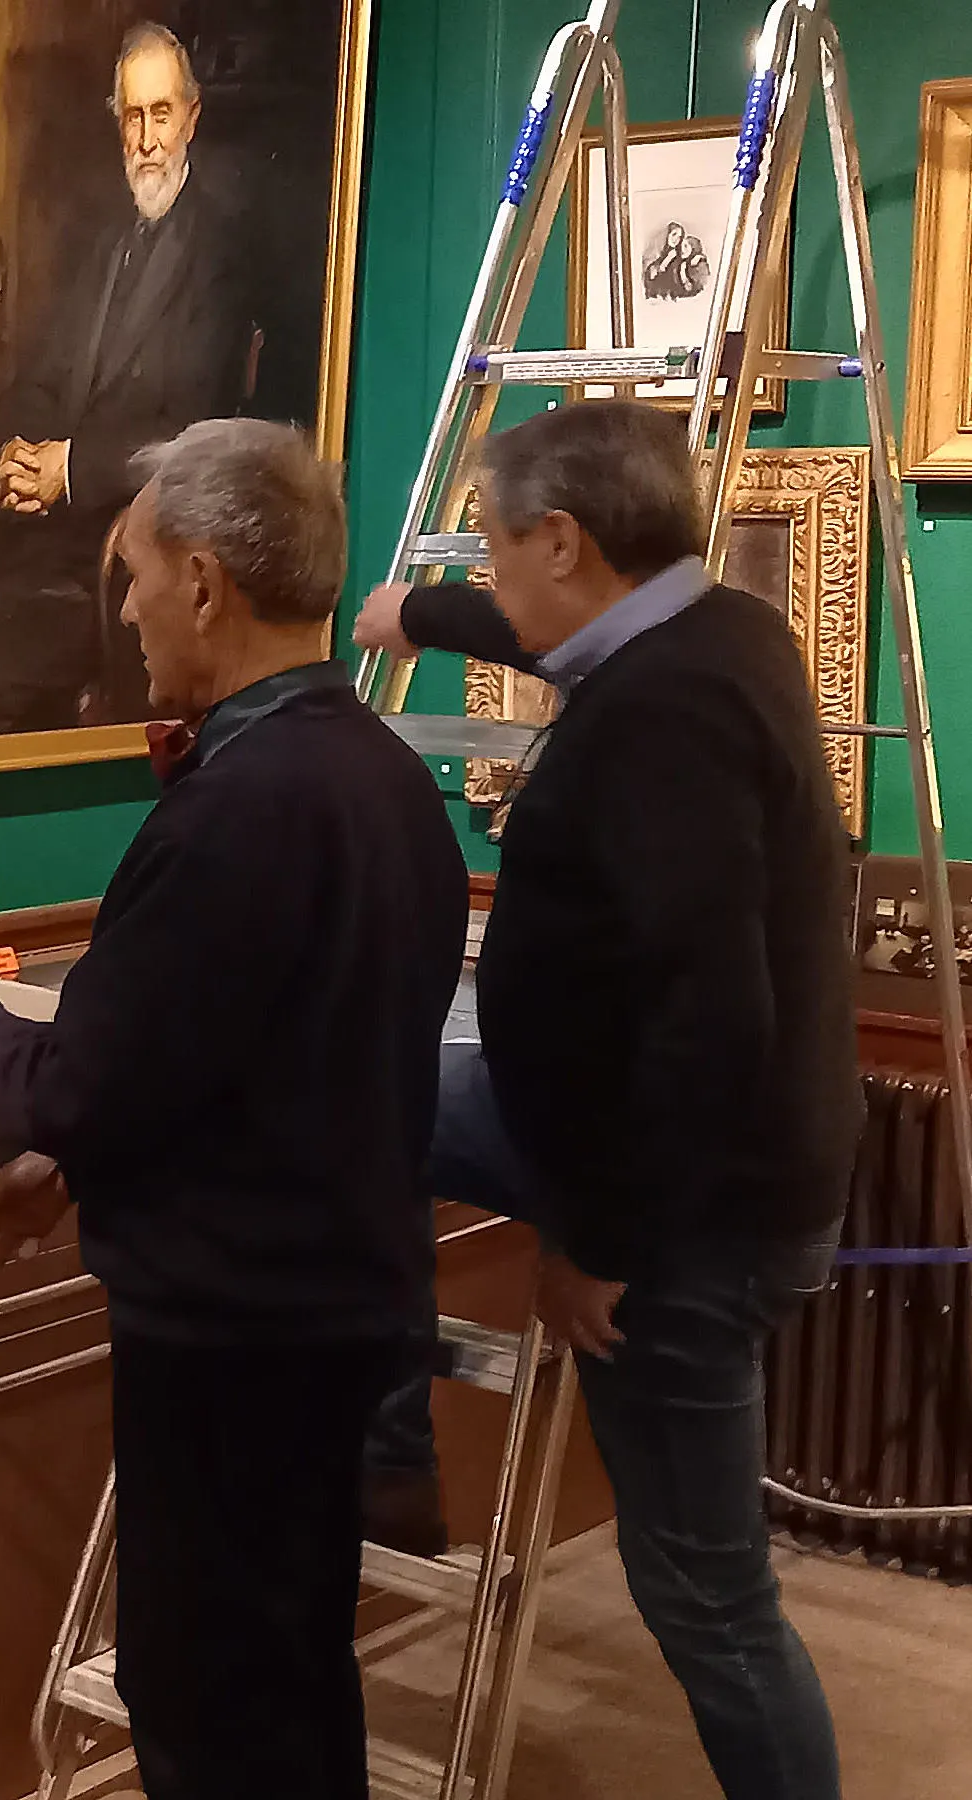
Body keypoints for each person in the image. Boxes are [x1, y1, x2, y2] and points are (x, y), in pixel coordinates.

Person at [0, 418, 465, 1799]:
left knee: (202, 1710)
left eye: (134, 573)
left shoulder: (235, 812)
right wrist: (72, 1165)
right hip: (333, 1331)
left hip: (230, 1350)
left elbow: (74, 1075)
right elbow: (260, 1065)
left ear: (204, 584)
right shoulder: (382, 782)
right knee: (294, 1682)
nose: (126, 607)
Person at [355, 399, 854, 1800]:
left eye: (502, 549)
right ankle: (391, 1449)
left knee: (702, 1594)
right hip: (703, 1167)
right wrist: (423, 612)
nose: (495, 576)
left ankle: (385, 1444)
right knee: (364, 1088)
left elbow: (707, 1021)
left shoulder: (663, 715)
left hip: (685, 1211)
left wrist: (597, 1245)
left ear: (565, 540)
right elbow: (546, 626)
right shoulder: (715, 631)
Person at [0, 22, 256, 740]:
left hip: (111, 556)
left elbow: (193, 430)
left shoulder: (219, 253)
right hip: (21, 538)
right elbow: (34, 377)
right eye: (133, 116)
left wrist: (70, 469)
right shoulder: (99, 241)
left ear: (191, 117)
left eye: (161, 114)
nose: (147, 139)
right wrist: (10, 456)